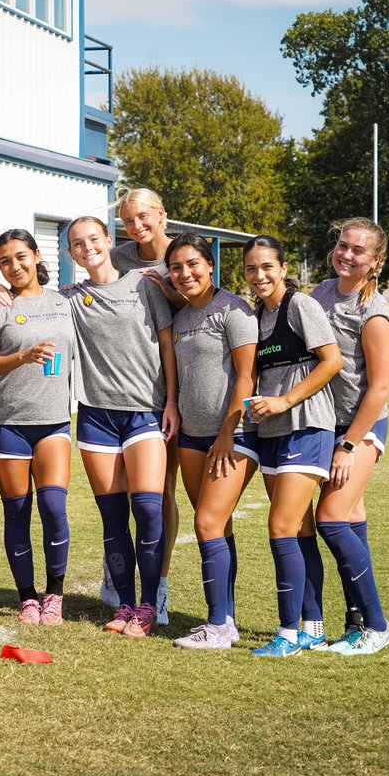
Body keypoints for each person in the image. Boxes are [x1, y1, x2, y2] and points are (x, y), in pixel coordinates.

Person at [64, 215, 179, 638]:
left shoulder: (144, 284)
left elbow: (167, 344)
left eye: (93, 238)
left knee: (148, 509)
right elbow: (32, 303)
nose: (87, 247)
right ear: (71, 253)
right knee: (113, 519)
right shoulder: (70, 297)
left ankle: (149, 605)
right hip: (95, 417)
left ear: (108, 241)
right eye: (77, 243)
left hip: (145, 413)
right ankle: (126, 605)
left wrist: (171, 401)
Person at [242, 234, 343, 657]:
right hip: (271, 435)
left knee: (281, 527)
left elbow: (332, 360)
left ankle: (287, 635)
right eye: (251, 268)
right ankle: (312, 628)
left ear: (283, 269)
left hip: (308, 426)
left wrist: (284, 399)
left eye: (267, 266)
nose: (259, 275)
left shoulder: (300, 306)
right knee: (299, 532)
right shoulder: (254, 316)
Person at [161, 233, 260, 650]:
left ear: (210, 264)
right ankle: (227, 618)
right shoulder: (181, 316)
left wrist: (226, 433)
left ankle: (217, 626)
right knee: (219, 525)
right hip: (192, 437)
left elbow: (247, 376)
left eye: (193, 264)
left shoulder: (233, 310)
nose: (185, 274)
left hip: (232, 435)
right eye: (177, 268)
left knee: (206, 523)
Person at [0, 229, 75, 625]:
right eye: (5, 262)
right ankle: (28, 598)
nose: (14, 266)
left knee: (54, 507)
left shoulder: (64, 302)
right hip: (6, 424)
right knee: (17, 513)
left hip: (53, 423)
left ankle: (54, 594)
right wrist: (22, 356)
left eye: (21, 257)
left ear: (36, 256)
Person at [311, 217, 389, 655]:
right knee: (352, 520)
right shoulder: (320, 293)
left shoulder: (374, 312)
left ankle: (378, 626)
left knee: (329, 519)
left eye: (358, 250)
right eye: (343, 245)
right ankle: (356, 622)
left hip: (360, 428)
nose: (346, 254)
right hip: (326, 422)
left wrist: (347, 445)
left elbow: (379, 389)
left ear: (375, 261)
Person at [108, 187, 184, 625]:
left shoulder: (183, 254)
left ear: (161, 214)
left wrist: (173, 295)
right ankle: (116, 570)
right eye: (128, 221)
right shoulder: (119, 258)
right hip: (129, 391)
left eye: (142, 217)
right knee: (122, 490)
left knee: (162, 491)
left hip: (179, 388)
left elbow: (206, 302)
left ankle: (160, 583)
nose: (136, 227)